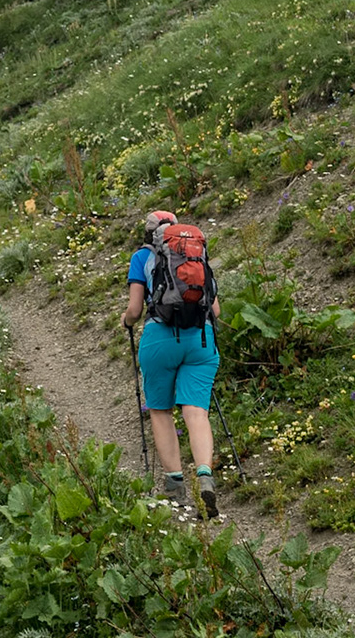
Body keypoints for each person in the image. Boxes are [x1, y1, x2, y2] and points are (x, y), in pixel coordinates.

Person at [122, 209, 221, 517]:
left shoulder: (142, 257)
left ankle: (175, 486)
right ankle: (205, 474)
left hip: (160, 338)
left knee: (161, 411)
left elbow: (135, 310)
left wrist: (125, 321)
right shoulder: (197, 254)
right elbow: (215, 311)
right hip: (201, 339)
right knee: (196, 411)